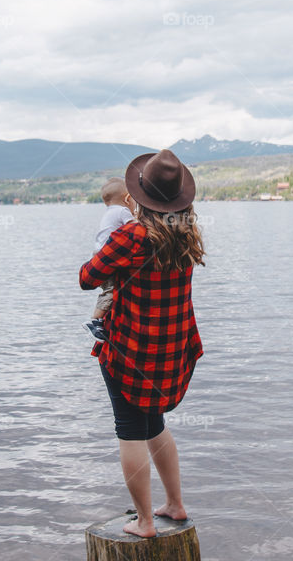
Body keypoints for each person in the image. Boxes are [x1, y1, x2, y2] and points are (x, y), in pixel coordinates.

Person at [79, 149, 205, 538]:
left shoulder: (130, 236)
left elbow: (87, 277)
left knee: (129, 428)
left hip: (130, 351)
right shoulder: (187, 233)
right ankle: (175, 504)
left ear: (140, 197)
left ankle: (146, 522)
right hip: (171, 350)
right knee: (154, 424)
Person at [83, 177, 135, 342]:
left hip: (98, 255)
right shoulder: (122, 211)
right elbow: (135, 227)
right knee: (111, 291)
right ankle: (94, 321)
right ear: (127, 198)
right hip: (107, 256)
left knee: (108, 290)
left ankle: (98, 320)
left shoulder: (109, 212)